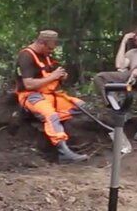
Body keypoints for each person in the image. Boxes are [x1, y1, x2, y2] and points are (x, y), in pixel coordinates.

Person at [15, 30, 89, 164]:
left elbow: (52, 75)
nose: (51, 51)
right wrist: (53, 77)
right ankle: (63, 152)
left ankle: (50, 121)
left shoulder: (47, 56)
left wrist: (61, 77)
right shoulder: (26, 56)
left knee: (81, 106)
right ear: (42, 43)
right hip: (32, 96)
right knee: (51, 116)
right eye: (49, 48)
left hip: (51, 96)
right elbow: (29, 84)